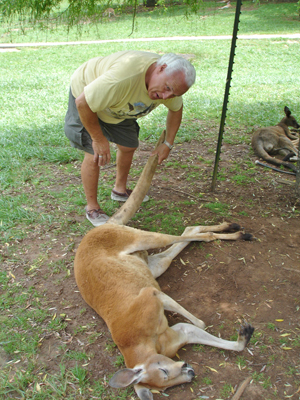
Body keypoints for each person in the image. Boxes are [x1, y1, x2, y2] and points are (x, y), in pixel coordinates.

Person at [64, 50, 196, 226]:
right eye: (167, 89)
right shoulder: (123, 77)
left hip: (118, 106)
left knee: (128, 145)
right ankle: (92, 208)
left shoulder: (169, 85)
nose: (166, 97)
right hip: (87, 98)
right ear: (161, 68)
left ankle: (119, 190)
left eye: (173, 94)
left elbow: (176, 109)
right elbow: (83, 102)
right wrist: (98, 139)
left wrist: (168, 143)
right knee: (94, 154)